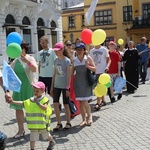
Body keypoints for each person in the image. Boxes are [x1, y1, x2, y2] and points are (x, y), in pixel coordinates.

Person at [7, 81, 55, 150]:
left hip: (42, 124)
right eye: (34, 90)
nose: (35, 92)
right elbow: (22, 103)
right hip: (33, 124)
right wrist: (13, 101)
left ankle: (52, 141)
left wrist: (37, 103)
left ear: (42, 91)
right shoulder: (31, 100)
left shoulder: (45, 99)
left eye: (37, 91)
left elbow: (44, 107)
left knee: (46, 135)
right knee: (32, 138)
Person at [5, 42, 38, 138]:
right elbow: (9, 71)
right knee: (18, 109)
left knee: (30, 108)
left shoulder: (30, 58)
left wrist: (27, 61)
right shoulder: (16, 60)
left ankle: (35, 128)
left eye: (20, 49)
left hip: (29, 86)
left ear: (24, 49)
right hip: (18, 88)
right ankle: (21, 130)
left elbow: (34, 69)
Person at [73, 43, 96, 126]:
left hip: (86, 82)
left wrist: (88, 66)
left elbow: (95, 69)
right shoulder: (74, 60)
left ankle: (89, 116)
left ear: (84, 50)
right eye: (77, 50)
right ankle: (83, 120)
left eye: (80, 49)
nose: (79, 51)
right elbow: (72, 72)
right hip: (78, 83)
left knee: (85, 102)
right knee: (80, 102)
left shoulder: (88, 58)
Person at [50, 43, 72, 130]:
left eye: (57, 50)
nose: (56, 52)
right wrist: (52, 87)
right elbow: (54, 74)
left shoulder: (67, 61)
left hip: (64, 86)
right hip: (56, 85)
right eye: (55, 51)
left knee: (66, 104)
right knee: (55, 104)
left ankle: (68, 122)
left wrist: (67, 88)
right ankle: (59, 123)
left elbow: (69, 75)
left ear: (62, 50)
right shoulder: (55, 61)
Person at [89, 44, 111, 110]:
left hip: (102, 71)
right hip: (95, 71)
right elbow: (90, 61)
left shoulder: (104, 49)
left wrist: (107, 66)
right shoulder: (91, 51)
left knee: (99, 87)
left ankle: (98, 103)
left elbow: (109, 60)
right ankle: (103, 101)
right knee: (98, 87)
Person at [64, 40, 80, 117]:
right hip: (66, 77)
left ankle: (76, 109)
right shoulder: (64, 54)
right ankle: (72, 109)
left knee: (73, 94)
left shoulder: (75, 53)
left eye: (70, 44)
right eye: (67, 44)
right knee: (69, 95)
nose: (69, 46)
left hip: (74, 76)